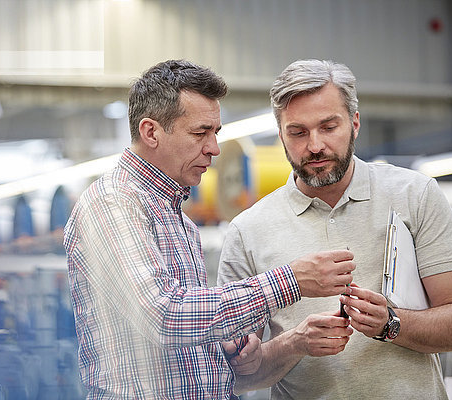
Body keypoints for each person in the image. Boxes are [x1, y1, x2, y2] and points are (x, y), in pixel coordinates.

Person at [63, 59, 356, 399]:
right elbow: (165, 316)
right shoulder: (113, 204)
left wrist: (226, 347)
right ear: (150, 132)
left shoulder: (180, 222)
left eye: (215, 133)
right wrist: (290, 281)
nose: (214, 149)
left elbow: (183, 331)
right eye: (200, 133)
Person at [218, 59, 452, 399]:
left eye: (328, 127)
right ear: (281, 136)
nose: (315, 145)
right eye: (298, 132)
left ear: (355, 123)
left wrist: (391, 324)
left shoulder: (414, 195)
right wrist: (295, 342)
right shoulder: (247, 231)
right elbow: (234, 375)